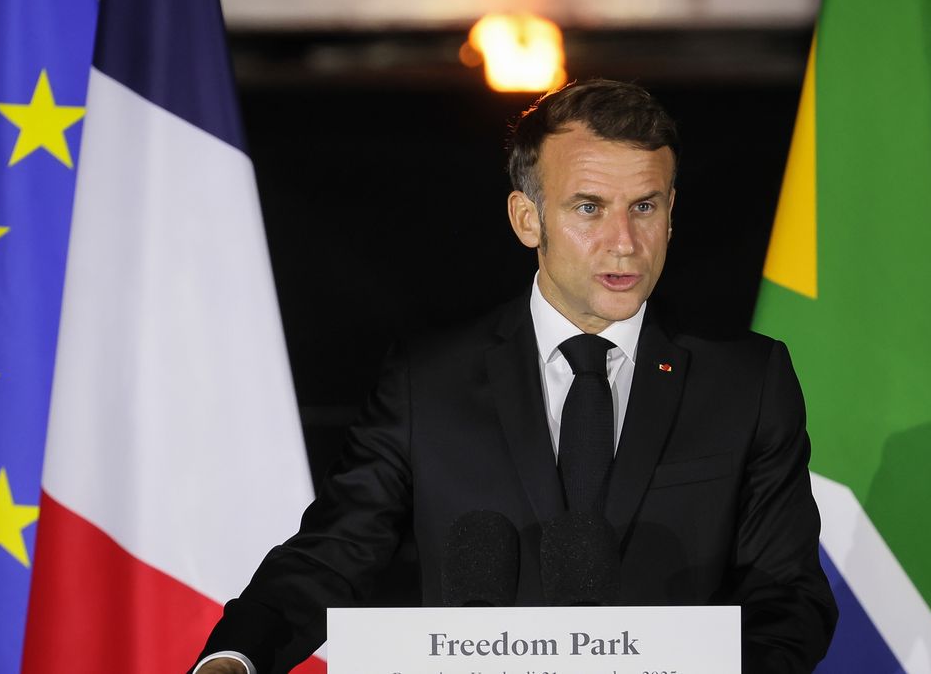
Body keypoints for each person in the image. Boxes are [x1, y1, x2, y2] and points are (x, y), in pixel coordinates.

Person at [194, 79, 837, 673]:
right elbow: (334, 553)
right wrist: (236, 657)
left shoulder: (747, 380)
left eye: (644, 206)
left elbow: (787, 593)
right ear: (527, 219)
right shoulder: (429, 383)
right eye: (589, 207)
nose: (624, 241)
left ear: (671, 213)